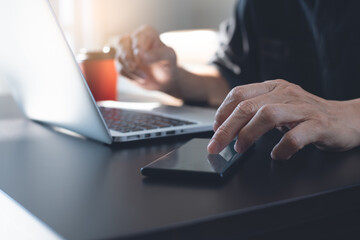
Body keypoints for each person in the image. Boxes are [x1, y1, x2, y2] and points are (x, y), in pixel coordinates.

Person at [116, 0, 360, 160]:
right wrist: (175, 80)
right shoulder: (259, 6)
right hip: (288, 178)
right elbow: (235, 79)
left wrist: (348, 113)